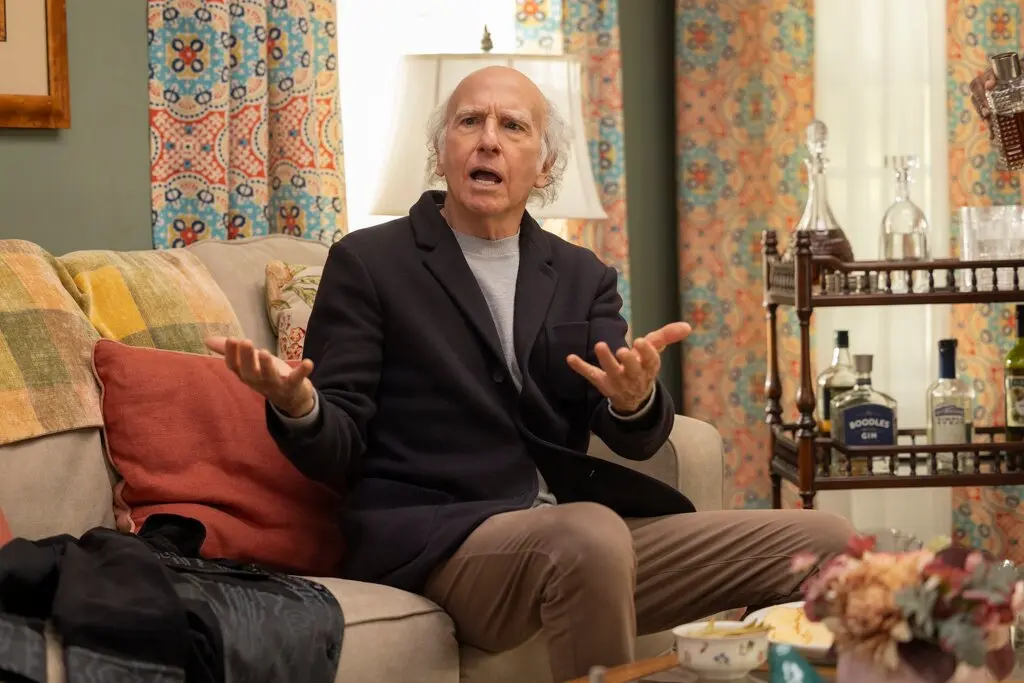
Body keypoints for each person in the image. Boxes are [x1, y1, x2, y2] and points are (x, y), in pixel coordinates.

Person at [207, 66, 854, 681]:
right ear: (440, 152)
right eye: (469, 121)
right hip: (440, 541)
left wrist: (633, 401)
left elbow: (630, 435)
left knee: (828, 542)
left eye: (512, 126)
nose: (488, 139)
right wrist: (300, 406)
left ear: (544, 165)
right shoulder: (370, 262)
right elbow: (337, 444)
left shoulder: (581, 274)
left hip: (573, 539)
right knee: (589, 533)